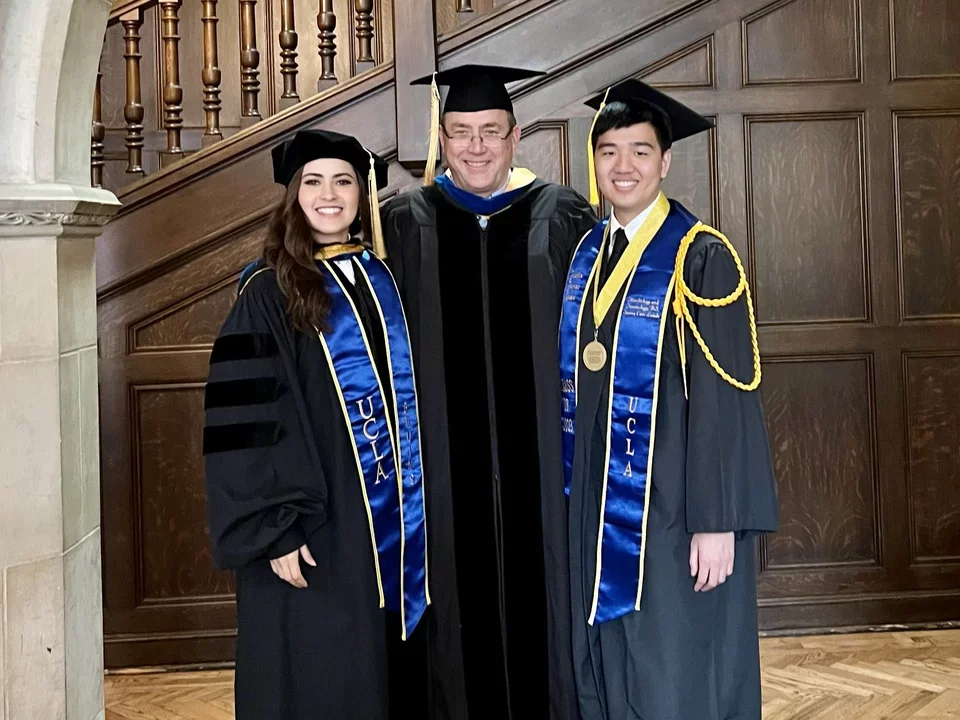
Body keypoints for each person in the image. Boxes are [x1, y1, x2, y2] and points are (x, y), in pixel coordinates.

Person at [381, 64, 597, 719]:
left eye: (490, 132)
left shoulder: (562, 215)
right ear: (442, 139)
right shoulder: (403, 222)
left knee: (544, 605)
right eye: (461, 132)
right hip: (443, 474)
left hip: (543, 475)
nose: (476, 147)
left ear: (515, 136)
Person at [560, 79, 780, 719]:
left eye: (639, 151)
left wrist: (718, 521)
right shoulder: (588, 253)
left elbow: (726, 402)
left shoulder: (701, 257)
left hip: (676, 506)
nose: (622, 166)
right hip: (600, 498)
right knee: (611, 654)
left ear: (666, 161)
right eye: (608, 151)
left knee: (674, 659)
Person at [203, 129, 428, 720]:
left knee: (372, 666)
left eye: (344, 181)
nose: (329, 195)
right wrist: (274, 527)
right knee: (319, 669)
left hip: (383, 527)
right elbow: (246, 420)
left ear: (362, 195)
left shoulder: (381, 277)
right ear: (293, 196)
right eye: (314, 182)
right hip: (311, 524)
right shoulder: (267, 289)